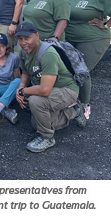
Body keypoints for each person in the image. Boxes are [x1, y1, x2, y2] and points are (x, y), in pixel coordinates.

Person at [15, 22, 86, 153]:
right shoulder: (24, 53)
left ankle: (47, 138)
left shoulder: (48, 54)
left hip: (67, 90)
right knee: (36, 124)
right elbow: (26, 73)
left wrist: (23, 91)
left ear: (37, 36)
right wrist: (20, 89)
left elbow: (44, 90)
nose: (23, 42)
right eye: (20, 39)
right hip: (51, 91)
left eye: (27, 38)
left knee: (35, 101)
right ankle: (74, 111)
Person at [65, 0, 111, 119]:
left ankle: (85, 104)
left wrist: (104, 24)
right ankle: (72, 99)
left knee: (82, 71)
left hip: (93, 38)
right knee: (70, 70)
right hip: (71, 37)